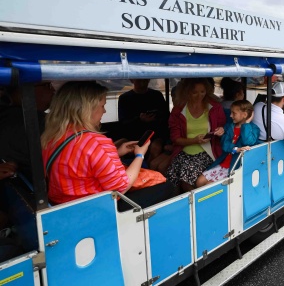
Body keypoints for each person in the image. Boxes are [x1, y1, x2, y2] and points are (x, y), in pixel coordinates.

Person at [41, 81, 175, 207]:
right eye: (102, 106)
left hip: (64, 205)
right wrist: (139, 155)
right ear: (88, 109)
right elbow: (121, 186)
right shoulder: (96, 141)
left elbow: (79, 164)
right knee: (167, 187)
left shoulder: (52, 137)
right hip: (96, 207)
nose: (104, 111)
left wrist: (117, 152)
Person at [166, 78, 226, 192]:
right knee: (172, 173)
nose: (199, 96)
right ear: (187, 92)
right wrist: (194, 140)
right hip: (183, 151)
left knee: (186, 174)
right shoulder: (178, 110)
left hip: (208, 151)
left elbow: (224, 127)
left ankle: (193, 204)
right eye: (195, 92)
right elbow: (175, 138)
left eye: (202, 92)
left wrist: (221, 130)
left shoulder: (215, 107)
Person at [196, 100, 260, 186]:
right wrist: (236, 149)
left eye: (234, 113)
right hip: (223, 162)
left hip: (235, 166)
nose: (230, 116)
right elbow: (224, 144)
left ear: (244, 115)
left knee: (209, 185)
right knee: (199, 181)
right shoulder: (229, 126)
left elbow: (248, 141)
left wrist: (246, 124)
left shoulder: (254, 129)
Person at [0, 82, 55, 182]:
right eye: (47, 86)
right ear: (23, 89)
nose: (53, 91)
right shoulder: (33, 122)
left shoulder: (6, 116)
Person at [117, 79, 168, 162]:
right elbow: (123, 122)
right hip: (132, 136)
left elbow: (166, 116)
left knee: (156, 147)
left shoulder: (156, 95)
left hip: (154, 135)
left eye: (145, 81)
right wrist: (139, 119)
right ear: (132, 80)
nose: (142, 83)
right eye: (139, 81)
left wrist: (156, 117)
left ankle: (149, 170)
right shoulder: (125, 98)